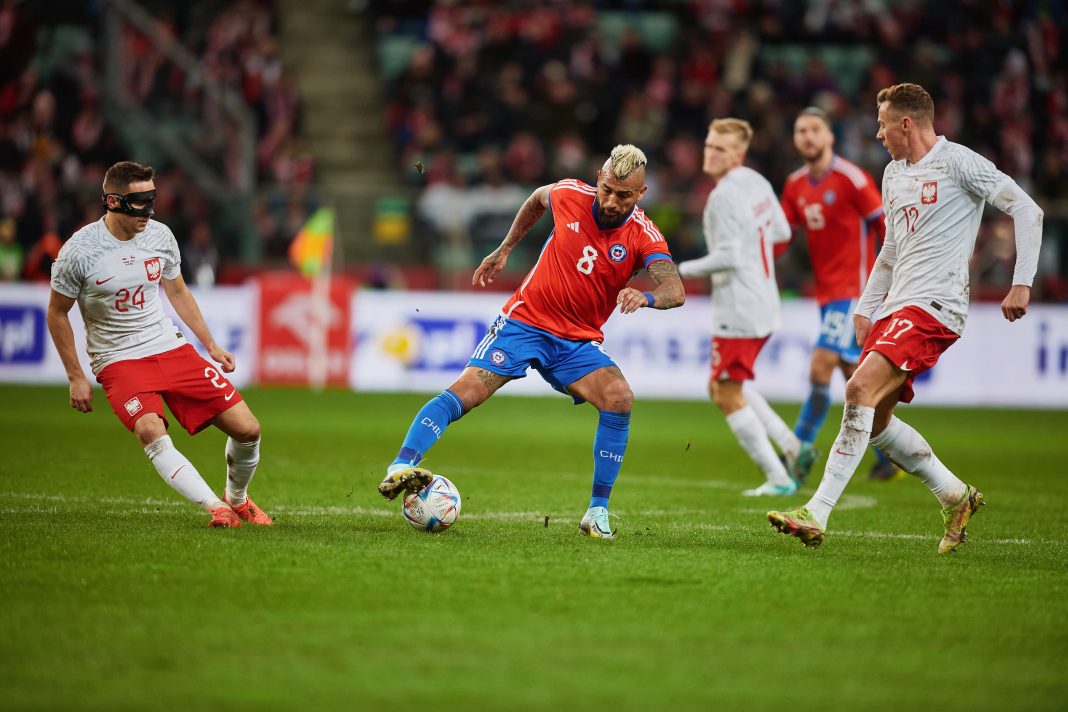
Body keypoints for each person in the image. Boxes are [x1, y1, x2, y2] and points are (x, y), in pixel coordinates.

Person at [768, 83, 1043, 553]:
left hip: (935, 305)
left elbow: (1027, 209)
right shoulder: (893, 174)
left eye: (882, 125)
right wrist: (865, 307)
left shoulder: (959, 162)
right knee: (875, 419)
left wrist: (1022, 282)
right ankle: (955, 494)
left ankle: (816, 511)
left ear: (906, 124)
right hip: (898, 306)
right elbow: (890, 250)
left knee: (857, 389)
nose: (878, 134)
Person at [378, 145, 686, 539]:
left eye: (624, 196)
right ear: (598, 178)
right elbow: (538, 199)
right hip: (525, 322)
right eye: (607, 189)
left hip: (576, 340)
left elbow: (675, 289)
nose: (611, 202)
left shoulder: (643, 234)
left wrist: (647, 297)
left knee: (619, 398)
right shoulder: (570, 194)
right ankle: (400, 466)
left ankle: (597, 512)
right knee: (468, 391)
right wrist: (506, 247)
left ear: (641, 193)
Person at [46, 161, 270, 528]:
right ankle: (217, 508)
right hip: (118, 359)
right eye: (140, 202)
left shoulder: (160, 236)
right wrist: (75, 376)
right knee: (151, 431)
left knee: (249, 429)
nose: (149, 211)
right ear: (113, 201)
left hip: (168, 346)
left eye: (152, 199)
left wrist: (211, 345)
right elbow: (57, 314)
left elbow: (177, 291)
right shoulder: (79, 252)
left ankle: (238, 498)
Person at [678, 118, 799, 496]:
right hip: (763, 298)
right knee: (726, 384)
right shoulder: (756, 182)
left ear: (738, 155)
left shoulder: (722, 197)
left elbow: (729, 256)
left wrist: (677, 270)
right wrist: (753, 257)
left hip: (739, 307)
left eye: (720, 149)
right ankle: (791, 445)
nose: (711, 153)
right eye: (709, 145)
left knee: (725, 392)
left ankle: (779, 478)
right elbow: (781, 232)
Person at [780, 107, 899, 483]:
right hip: (827, 294)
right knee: (855, 377)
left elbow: (885, 226)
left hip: (855, 292)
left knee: (820, 365)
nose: (808, 136)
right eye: (801, 130)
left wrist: (890, 278)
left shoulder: (851, 178)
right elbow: (782, 237)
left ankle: (796, 452)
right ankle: (890, 457)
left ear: (830, 136)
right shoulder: (795, 185)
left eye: (815, 129)